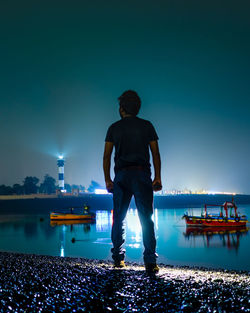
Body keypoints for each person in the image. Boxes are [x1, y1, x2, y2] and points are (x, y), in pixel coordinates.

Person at [103, 90, 162, 273]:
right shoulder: (147, 126)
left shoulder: (114, 128)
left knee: (118, 218)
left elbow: (106, 157)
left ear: (122, 109)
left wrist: (108, 180)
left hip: (121, 176)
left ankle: (118, 259)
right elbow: (155, 153)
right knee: (147, 218)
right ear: (137, 108)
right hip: (142, 174)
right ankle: (150, 261)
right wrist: (158, 177)